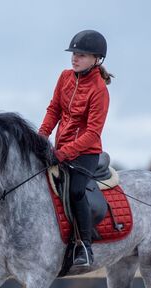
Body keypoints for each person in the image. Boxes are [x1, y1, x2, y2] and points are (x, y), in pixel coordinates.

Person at [39, 30, 113, 267]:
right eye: (73, 53)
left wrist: (63, 153)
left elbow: (92, 133)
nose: (74, 58)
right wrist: (41, 138)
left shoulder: (100, 90)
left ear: (96, 59)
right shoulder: (64, 77)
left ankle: (84, 245)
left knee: (75, 190)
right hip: (60, 148)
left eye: (81, 54)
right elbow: (54, 110)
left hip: (86, 153)